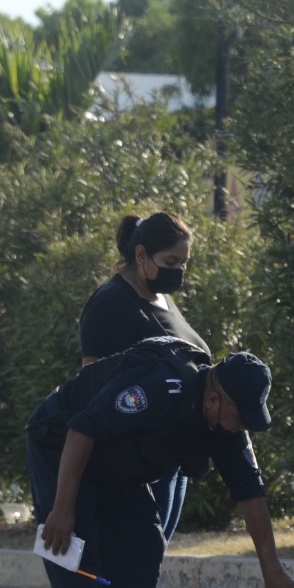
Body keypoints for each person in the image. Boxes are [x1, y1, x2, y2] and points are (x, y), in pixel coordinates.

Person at [27, 337, 294, 588]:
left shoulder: (225, 423)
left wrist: (272, 570)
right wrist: (62, 510)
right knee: (73, 555)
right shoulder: (159, 386)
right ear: (213, 401)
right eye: (240, 418)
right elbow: (83, 428)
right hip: (62, 445)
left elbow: (250, 493)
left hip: (115, 462)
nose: (241, 428)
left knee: (145, 542)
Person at [79, 211, 209, 542]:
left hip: (174, 458)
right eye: (171, 261)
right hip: (139, 464)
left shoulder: (161, 299)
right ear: (141, 255)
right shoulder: (112, 303)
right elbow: (93, 388)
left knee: (153, 559)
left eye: (184, 262)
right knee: (136, 563)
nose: (178, 270)